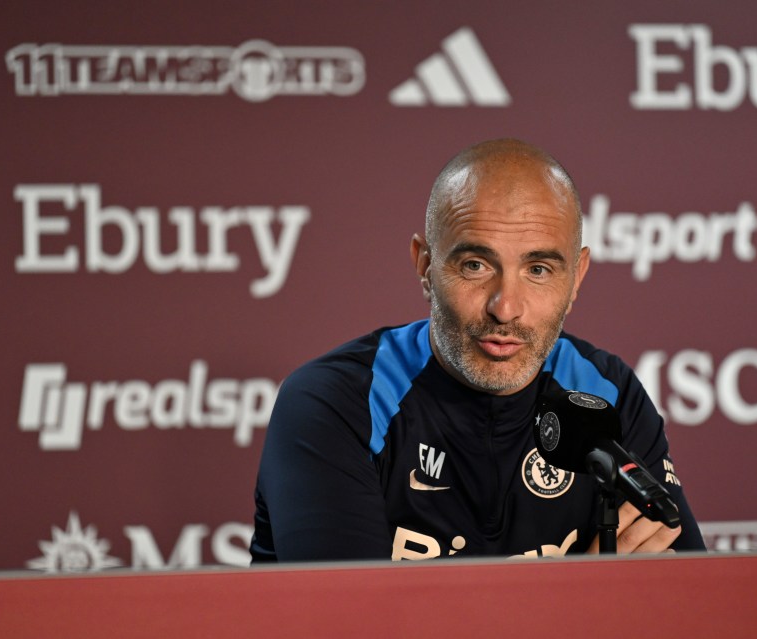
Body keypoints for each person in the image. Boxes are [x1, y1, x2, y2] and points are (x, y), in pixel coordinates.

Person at [250, 138, 704, 562]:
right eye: (475, 265)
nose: (505, 308)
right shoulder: (336, 401)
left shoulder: (606, 393)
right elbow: (346, 622)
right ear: (425, 266)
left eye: (539, 269)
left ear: (577, 278)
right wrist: (584, 596)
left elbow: (691, 609)